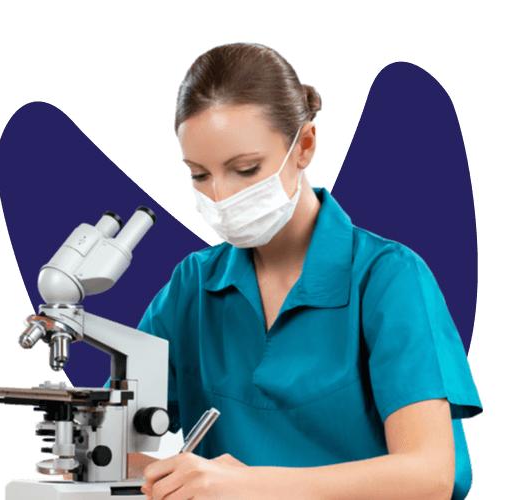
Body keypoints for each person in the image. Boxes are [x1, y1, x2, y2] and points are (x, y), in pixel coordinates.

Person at [123, 43, 482, 500]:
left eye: (245, 169)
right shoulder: (192, 286)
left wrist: (250, 485)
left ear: (305, 145)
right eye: (199, 175)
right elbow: (124, 445)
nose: (220, 196)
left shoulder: (387, 278)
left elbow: (429, 474)